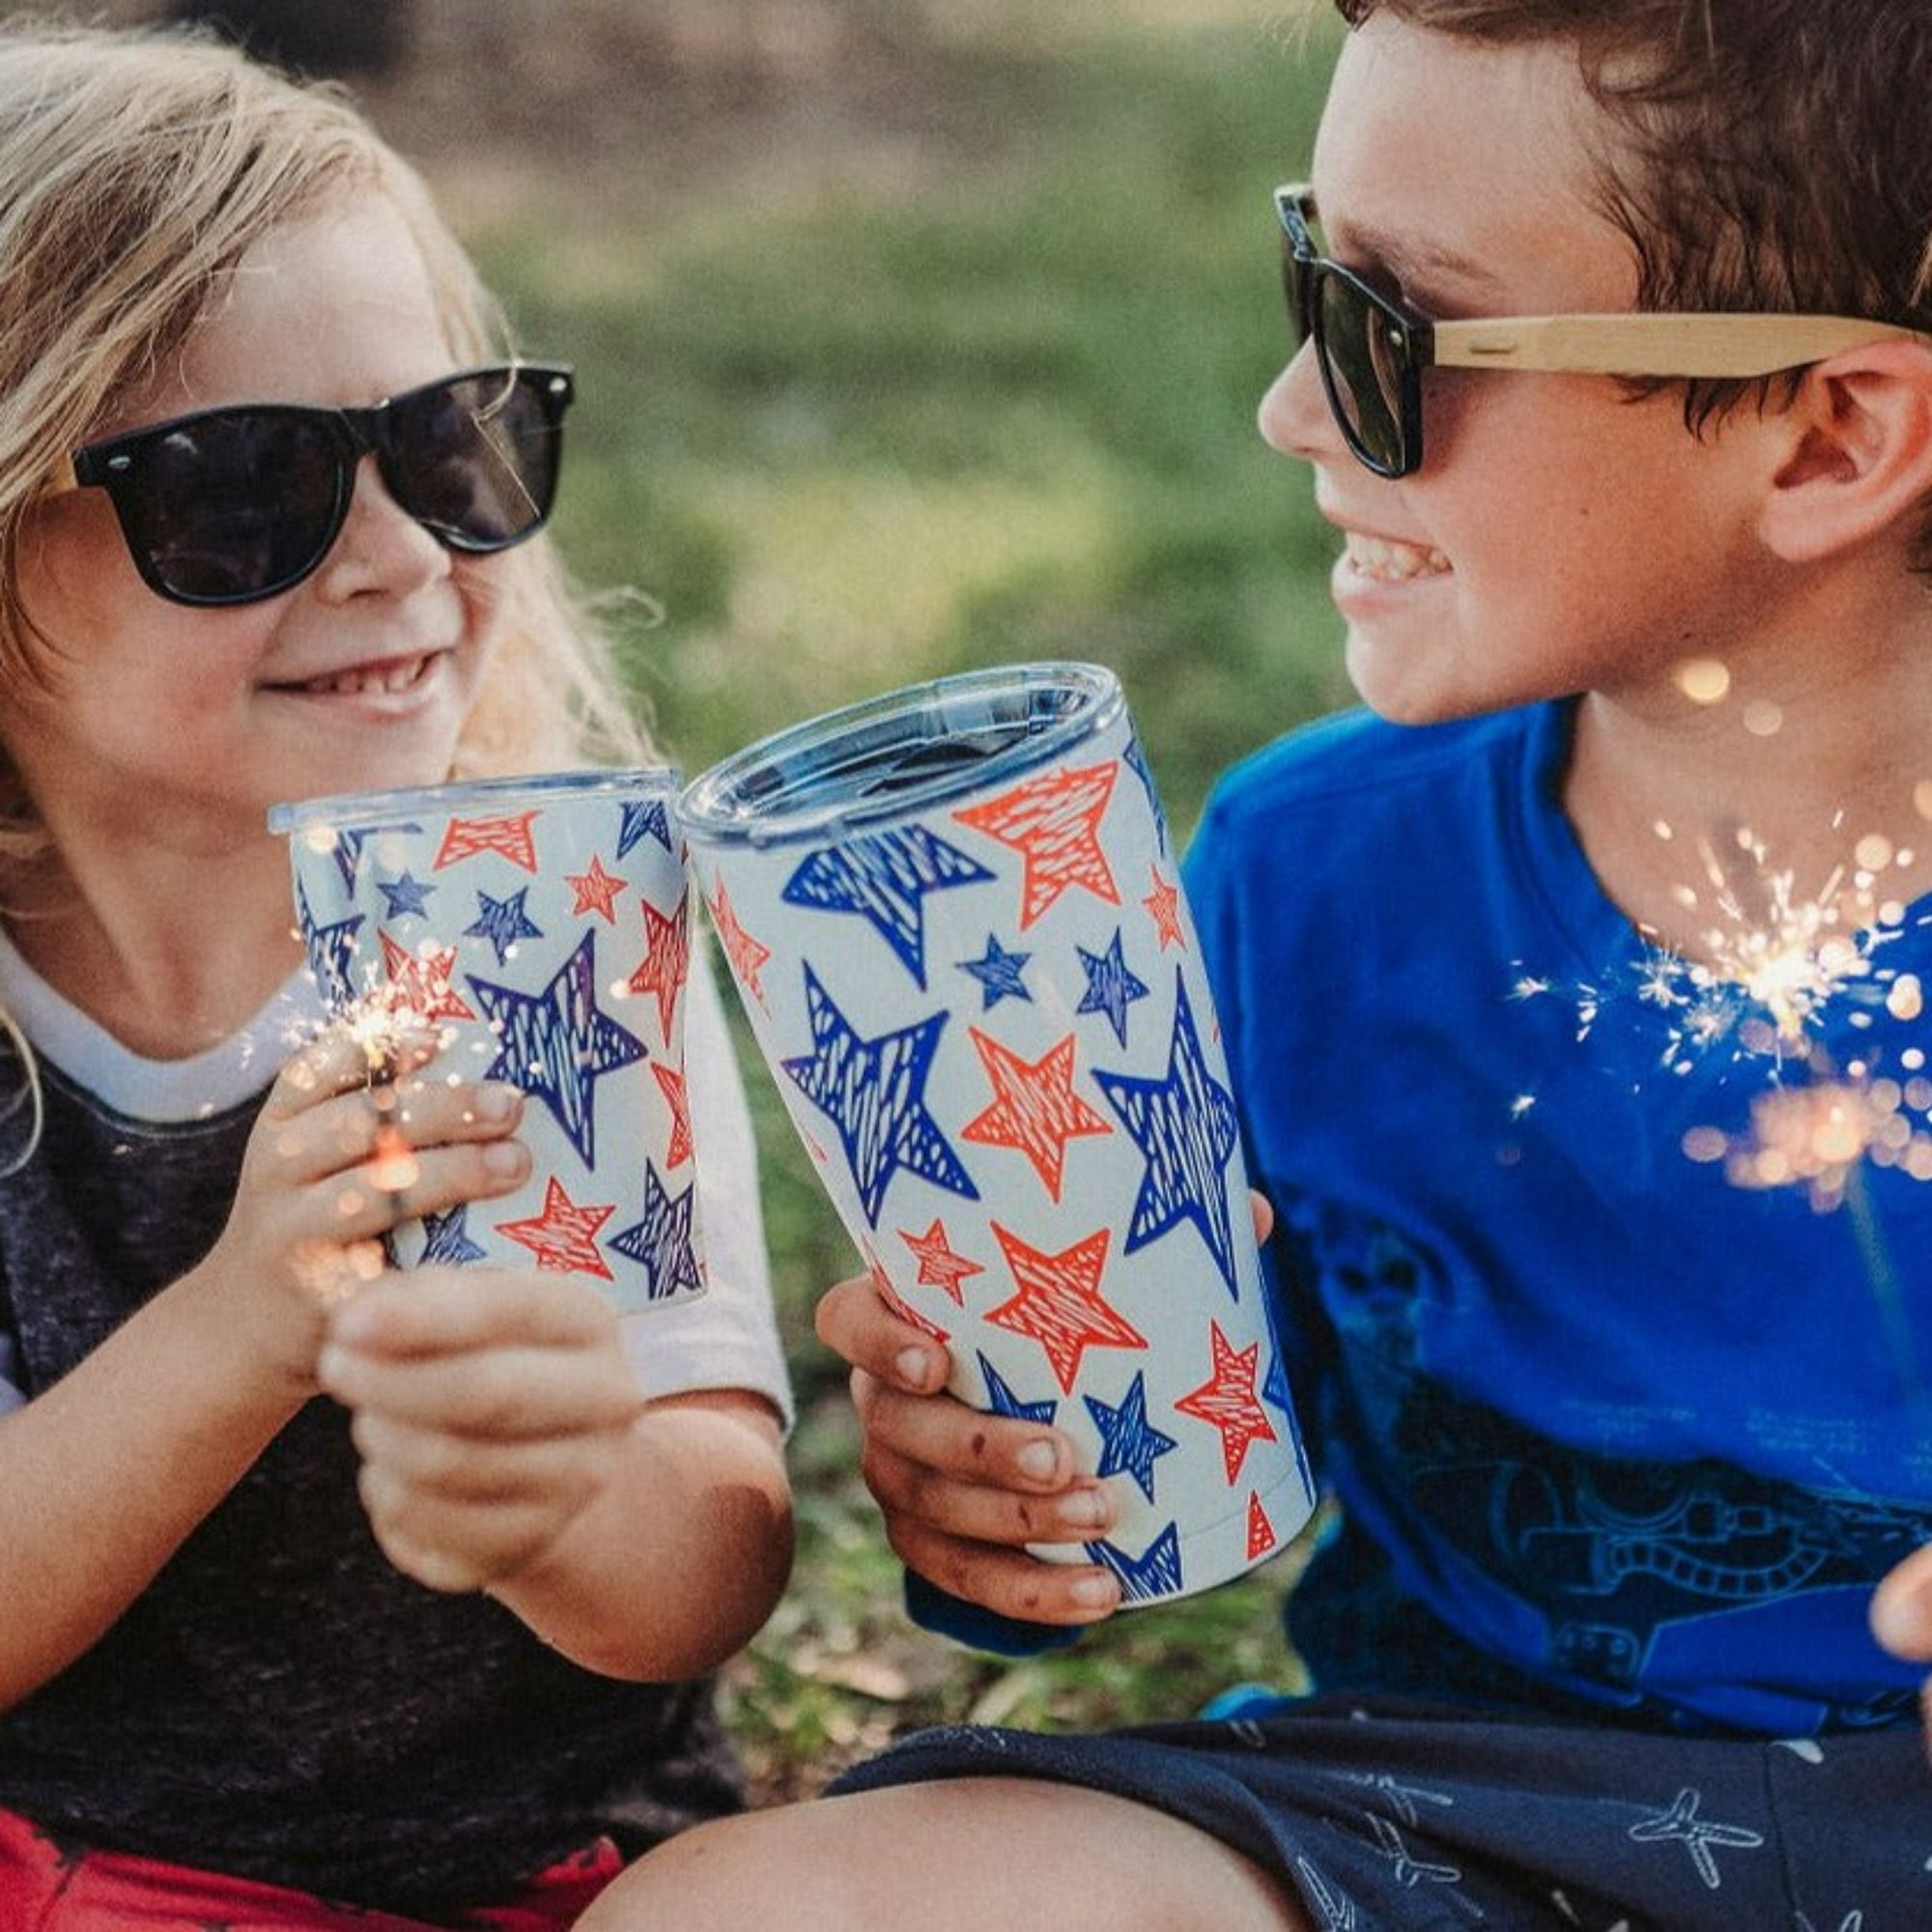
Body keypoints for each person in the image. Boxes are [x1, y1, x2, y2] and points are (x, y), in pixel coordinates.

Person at [582, 0, 1932, 1926]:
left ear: (1826, 432)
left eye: (1394, 339)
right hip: (1459, 1822)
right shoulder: (1312, 867)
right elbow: (1155, 1466)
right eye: (1312, 281)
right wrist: (1004, 1493)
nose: (1290, 409)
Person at [0, 19, 792, 1929]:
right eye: (240, 490)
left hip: (534, 1868)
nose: (391, 557)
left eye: (450, 444)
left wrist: (555, 1490)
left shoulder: (556, 942)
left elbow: (708, 1555)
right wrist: (250, 1317)